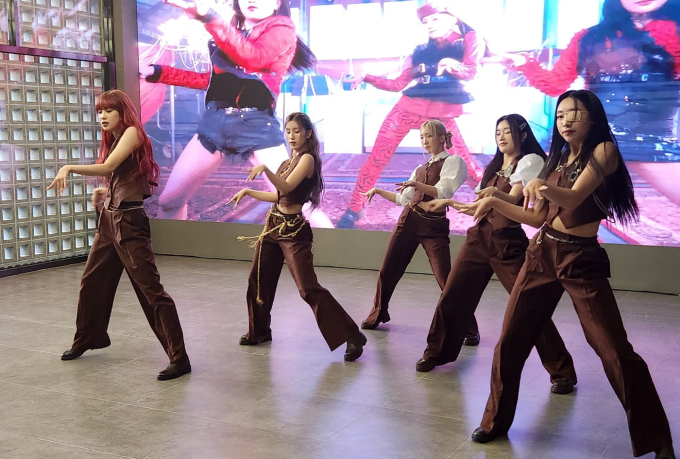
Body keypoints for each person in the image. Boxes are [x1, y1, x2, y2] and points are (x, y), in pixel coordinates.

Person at [468, 90, 677, 459]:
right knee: (511, 340)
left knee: (614, 349)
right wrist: (495, 201)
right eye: (560, 114)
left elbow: (576, 195)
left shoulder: (604, 152)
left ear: (592, 117)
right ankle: (494, 422)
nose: (564, 121)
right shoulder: (556, 160)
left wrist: (541, 187)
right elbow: (534, 219)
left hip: (582, 258)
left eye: (574, 113)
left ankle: (658, 440)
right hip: (542, 253)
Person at [415, 114, 578, 395]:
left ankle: (561, 370)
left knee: (527, 308)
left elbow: (514, 199)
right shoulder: (493, 166)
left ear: (523, 135)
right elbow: (478, 205)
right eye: (498, 132)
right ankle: (436, 353)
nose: (501, 137)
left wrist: (492, 195)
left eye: (507, 132)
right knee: (453, 295)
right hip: (479, 239)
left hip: (507, 243)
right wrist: (449, 202)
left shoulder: (531, 162)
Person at [141, 0, 329, 225]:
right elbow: (209, 80)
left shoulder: (283, 28)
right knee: (169, 202)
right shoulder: (235, 35)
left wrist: (209, 16)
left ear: (277, 3)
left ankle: (338, 255)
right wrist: (158, 72)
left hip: (254, 126)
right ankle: (173, 253)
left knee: (295, 202)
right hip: (214, 125)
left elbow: (253, 57)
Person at [49, 90, 191, 381]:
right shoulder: (115, 138)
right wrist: (105, 190)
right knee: (92, 282)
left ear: (121, 112)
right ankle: (89, 337)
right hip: (110, 219)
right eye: (99, 111)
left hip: (128, 223)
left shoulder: (132, 133)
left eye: (108, 111)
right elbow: (122, 175)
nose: (102, 116)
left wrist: (69, 167)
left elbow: (110, 166)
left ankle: (179, 357)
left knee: (151, 291)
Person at [496, 0, 680, 207]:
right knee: (555, 206)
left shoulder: (675, 33)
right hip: (590, 137)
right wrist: (524, 64)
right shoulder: (589, 37)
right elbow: (555, 84)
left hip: (651, 140)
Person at [228, 112, 368, 361]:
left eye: (296, 131)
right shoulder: (286, 163)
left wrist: (264, 170)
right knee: (258, 279)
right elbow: (277, 197)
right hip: (273, 226)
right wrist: (249, 191)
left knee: (308, 289)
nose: (291, 136)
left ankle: (352, 335)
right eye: (288, 131)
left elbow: (286, 187)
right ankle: (259, 331)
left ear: (308, 133)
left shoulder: (307, 160)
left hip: (294, 232)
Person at [336, 0, 485, 229]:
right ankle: (355, 207)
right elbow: (397, 84)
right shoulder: (420, 51)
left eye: (435, 19)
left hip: (441, 118)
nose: (429, 25)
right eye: (425, 21)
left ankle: (491, 206)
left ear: (452, 17)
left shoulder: (470, 39)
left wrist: (450, 64)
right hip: (406, 109)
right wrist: (366, 77)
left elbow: (471, 71)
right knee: (376, 159)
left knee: (467, 165)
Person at [359, 120, 480, 345]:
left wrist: (416, 185)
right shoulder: (420, 168)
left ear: (442, 138)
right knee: (388, 270)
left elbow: (443, 191)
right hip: (408, 221)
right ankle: (378, 313)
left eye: (429, 136)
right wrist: (378, 190)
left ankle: (469, 327)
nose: (424, 141)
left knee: (446, 278)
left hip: (433, 226)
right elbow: (404, 199)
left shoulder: (454, 161)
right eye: (422, 137)